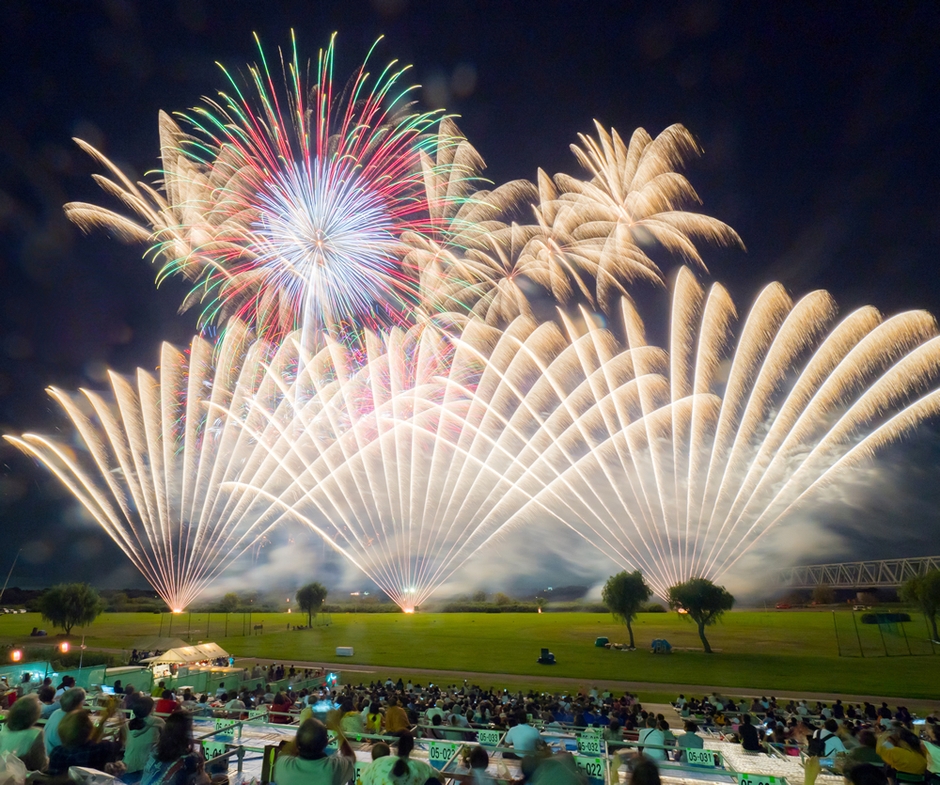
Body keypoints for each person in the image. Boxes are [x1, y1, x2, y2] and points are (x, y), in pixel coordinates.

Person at [43, 707, 126, 783]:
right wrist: (121, 725)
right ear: (90, 729)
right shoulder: (101, 748)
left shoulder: (57, 752)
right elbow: (120, 743)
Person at [273, 719, 355, 785]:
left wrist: (303, 731)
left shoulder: (283, 765)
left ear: (297, 742)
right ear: (326, 743)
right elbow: (351, 757)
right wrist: (338, 731)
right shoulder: (333, 769)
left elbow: (287, 750)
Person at [360, 731, 442, 785]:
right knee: (433, 781)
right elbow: (441, 778)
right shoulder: (422, 767)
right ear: (412, 747)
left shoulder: (375, 765)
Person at [124, 695, 165, 783]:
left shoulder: (127, 724)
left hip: (127, 765)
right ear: (150, 708)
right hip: (147, 766)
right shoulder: (158, 722)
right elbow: (166, 739)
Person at [0, 694, 48, 771]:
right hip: (20, 776)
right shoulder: (35, 734)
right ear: (34, 716)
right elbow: (40, 765)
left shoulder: (5, 728)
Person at [44, 687, 86, 756]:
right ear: (79, 702)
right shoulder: (71, 719)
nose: (84, 703)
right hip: (58, 757)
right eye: (83, 700)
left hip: (48, 754)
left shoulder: (57, 712)